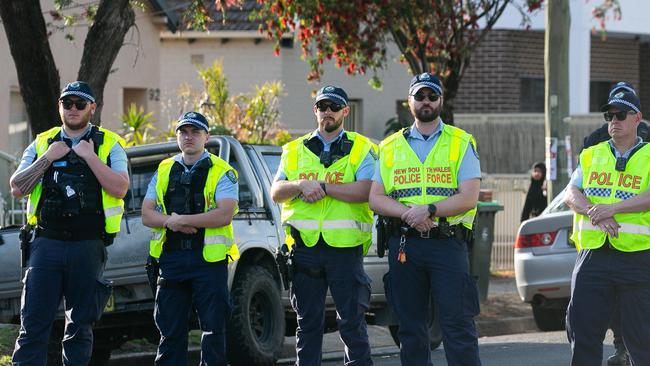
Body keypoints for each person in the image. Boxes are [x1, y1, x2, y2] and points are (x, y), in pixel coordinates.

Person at [9, 81, 129, 364]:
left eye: (79, 103)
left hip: (87, 245)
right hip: (46, 244)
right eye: (67, 103)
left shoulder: (109, 144)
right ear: (59, 107)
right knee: (33, 325)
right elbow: (17, 187)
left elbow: (120, 188)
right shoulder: (42, 143)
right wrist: (48, 159)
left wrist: (90, 157)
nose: (73, 109)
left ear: (92, 108)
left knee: (79, 329)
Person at [369, 72, 482, 366]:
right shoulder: (390, 146)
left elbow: (469, 197)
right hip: (405, 244)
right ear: (410, 102)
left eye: (432, 96)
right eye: (420, 96)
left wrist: (429, 210)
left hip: (448, 244)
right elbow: (376, 198)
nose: (426, 101)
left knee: (458, 326)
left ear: (440, 101)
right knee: (411, 330)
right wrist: (410, 213)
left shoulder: (461, 142)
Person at [270, 85, 376, 366]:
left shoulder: (362, 148)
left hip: (345, 249)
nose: (327, 111)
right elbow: (276, 191)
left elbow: (366, 190)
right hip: (305, 249)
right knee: (307, 325)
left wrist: (325, 188)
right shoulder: (293, 150)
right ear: (315, 110)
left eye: (334, 106)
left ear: (345, 111)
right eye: (322, 106)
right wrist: (299, 185)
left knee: (352, 324)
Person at [141, 111, 239, 366]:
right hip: (171, 261)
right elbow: (146, 214)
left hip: (208, 262)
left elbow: (224, 214)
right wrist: (170, 222)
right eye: (183, 132)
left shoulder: (223, 171)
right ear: (177, 136)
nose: (189, 137)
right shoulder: (164, 169)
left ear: (207, 136)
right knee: (170, 335)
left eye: (195, 132)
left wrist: (181, 221)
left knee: (213, 332)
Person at [564, 90, 650, 366]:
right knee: (582, 332)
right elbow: (571, 193)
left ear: (637, 118)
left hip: (637, 258)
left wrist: (612, 210)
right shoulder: (591, 154)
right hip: (593, 257)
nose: (614, 120)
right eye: (609, 115)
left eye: (621, 115)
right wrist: (594, 213)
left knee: (642, 340)